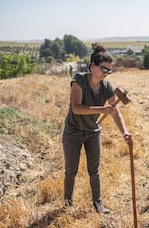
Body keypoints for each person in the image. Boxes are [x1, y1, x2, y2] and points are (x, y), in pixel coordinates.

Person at [62, 43, 130, 214]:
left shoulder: (106, 86)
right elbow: (77, 108)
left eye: (109, 70)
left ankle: (98, 204)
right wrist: (101, 109)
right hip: (73, 133)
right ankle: (67, 203)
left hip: (93, 132)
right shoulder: (79, 80)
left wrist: (125, 132)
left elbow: (115, 113)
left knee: (94, 170)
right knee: (71, 170)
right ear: (92, 66)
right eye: (103, 69)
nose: (106, 73)